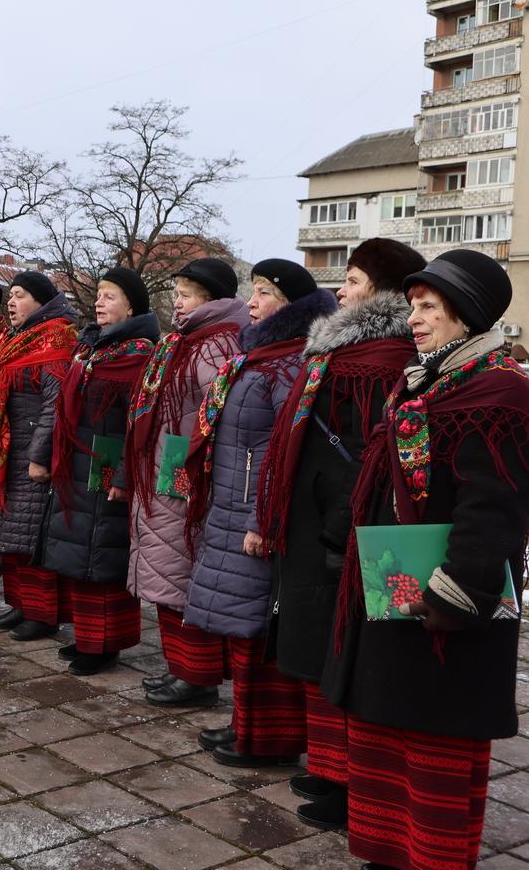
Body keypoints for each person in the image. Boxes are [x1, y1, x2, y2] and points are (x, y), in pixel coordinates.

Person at [322, 251, 527, 870]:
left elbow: (493, 508)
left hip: (445, 607)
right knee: (387, 732)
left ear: (465, 314)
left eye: (428, 307)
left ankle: (431, 858)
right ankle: (387, 851)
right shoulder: (428, 380)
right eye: (412, 305)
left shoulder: (500, 392)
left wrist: (455, 594)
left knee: (435, 742)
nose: (413, 318)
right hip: (398, 590)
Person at [253, 239, 424, 830]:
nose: (341, 289)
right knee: (316, 653)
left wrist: (338, 529)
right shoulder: (340, 351)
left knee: (344, 657)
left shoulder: (383, 361)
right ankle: (331, 771)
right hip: (314, 527)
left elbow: (368, 456)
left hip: (342, 533)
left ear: (380, 288)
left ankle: (352, 782)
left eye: (352, 279)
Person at [182, 259, 336, 766]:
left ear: (290, 305)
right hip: (230, 505)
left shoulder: (289, 362)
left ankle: (267, 738)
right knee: (239, 623)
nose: (252, 301)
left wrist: (261, 520)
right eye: (253, 290)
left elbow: (282, 450)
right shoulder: (258, 356)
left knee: (256, 626)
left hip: (253, 514)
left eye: (265, 292)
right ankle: (243, 724)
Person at [123, 258, 247, 706]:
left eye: (187, 294)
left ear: (211, 299)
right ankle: (180, 668)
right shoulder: (184, 340)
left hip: (186, 477)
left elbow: (218, 417)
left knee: (179, 576)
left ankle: (197, 676)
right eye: (176, 293)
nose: (177, 301)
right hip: (164, 470)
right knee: (166, 573)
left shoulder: (217, 344)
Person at [42, 268, 159, 674]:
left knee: (103, 556)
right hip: (79, 464)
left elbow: (142, 424)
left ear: (132, 306)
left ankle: (105, 644)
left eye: (110, 296)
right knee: (81, 555)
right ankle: (87, 636)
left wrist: (125, 475)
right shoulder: (92, 350)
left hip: (109, 469)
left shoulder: (140, 356)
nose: (99, 302)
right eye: (99, 295)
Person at [0, 271, 78, 639]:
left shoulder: (58, 339)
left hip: (33, 457)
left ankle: (43, 614)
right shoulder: (16, 338)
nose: (11, 302)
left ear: (40, 301)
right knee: (12, 535)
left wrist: (40, 456)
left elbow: (56, 404)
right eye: (10, 295)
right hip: (9, 452)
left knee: (34, 536)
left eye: (19, 295)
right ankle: (20, 604)